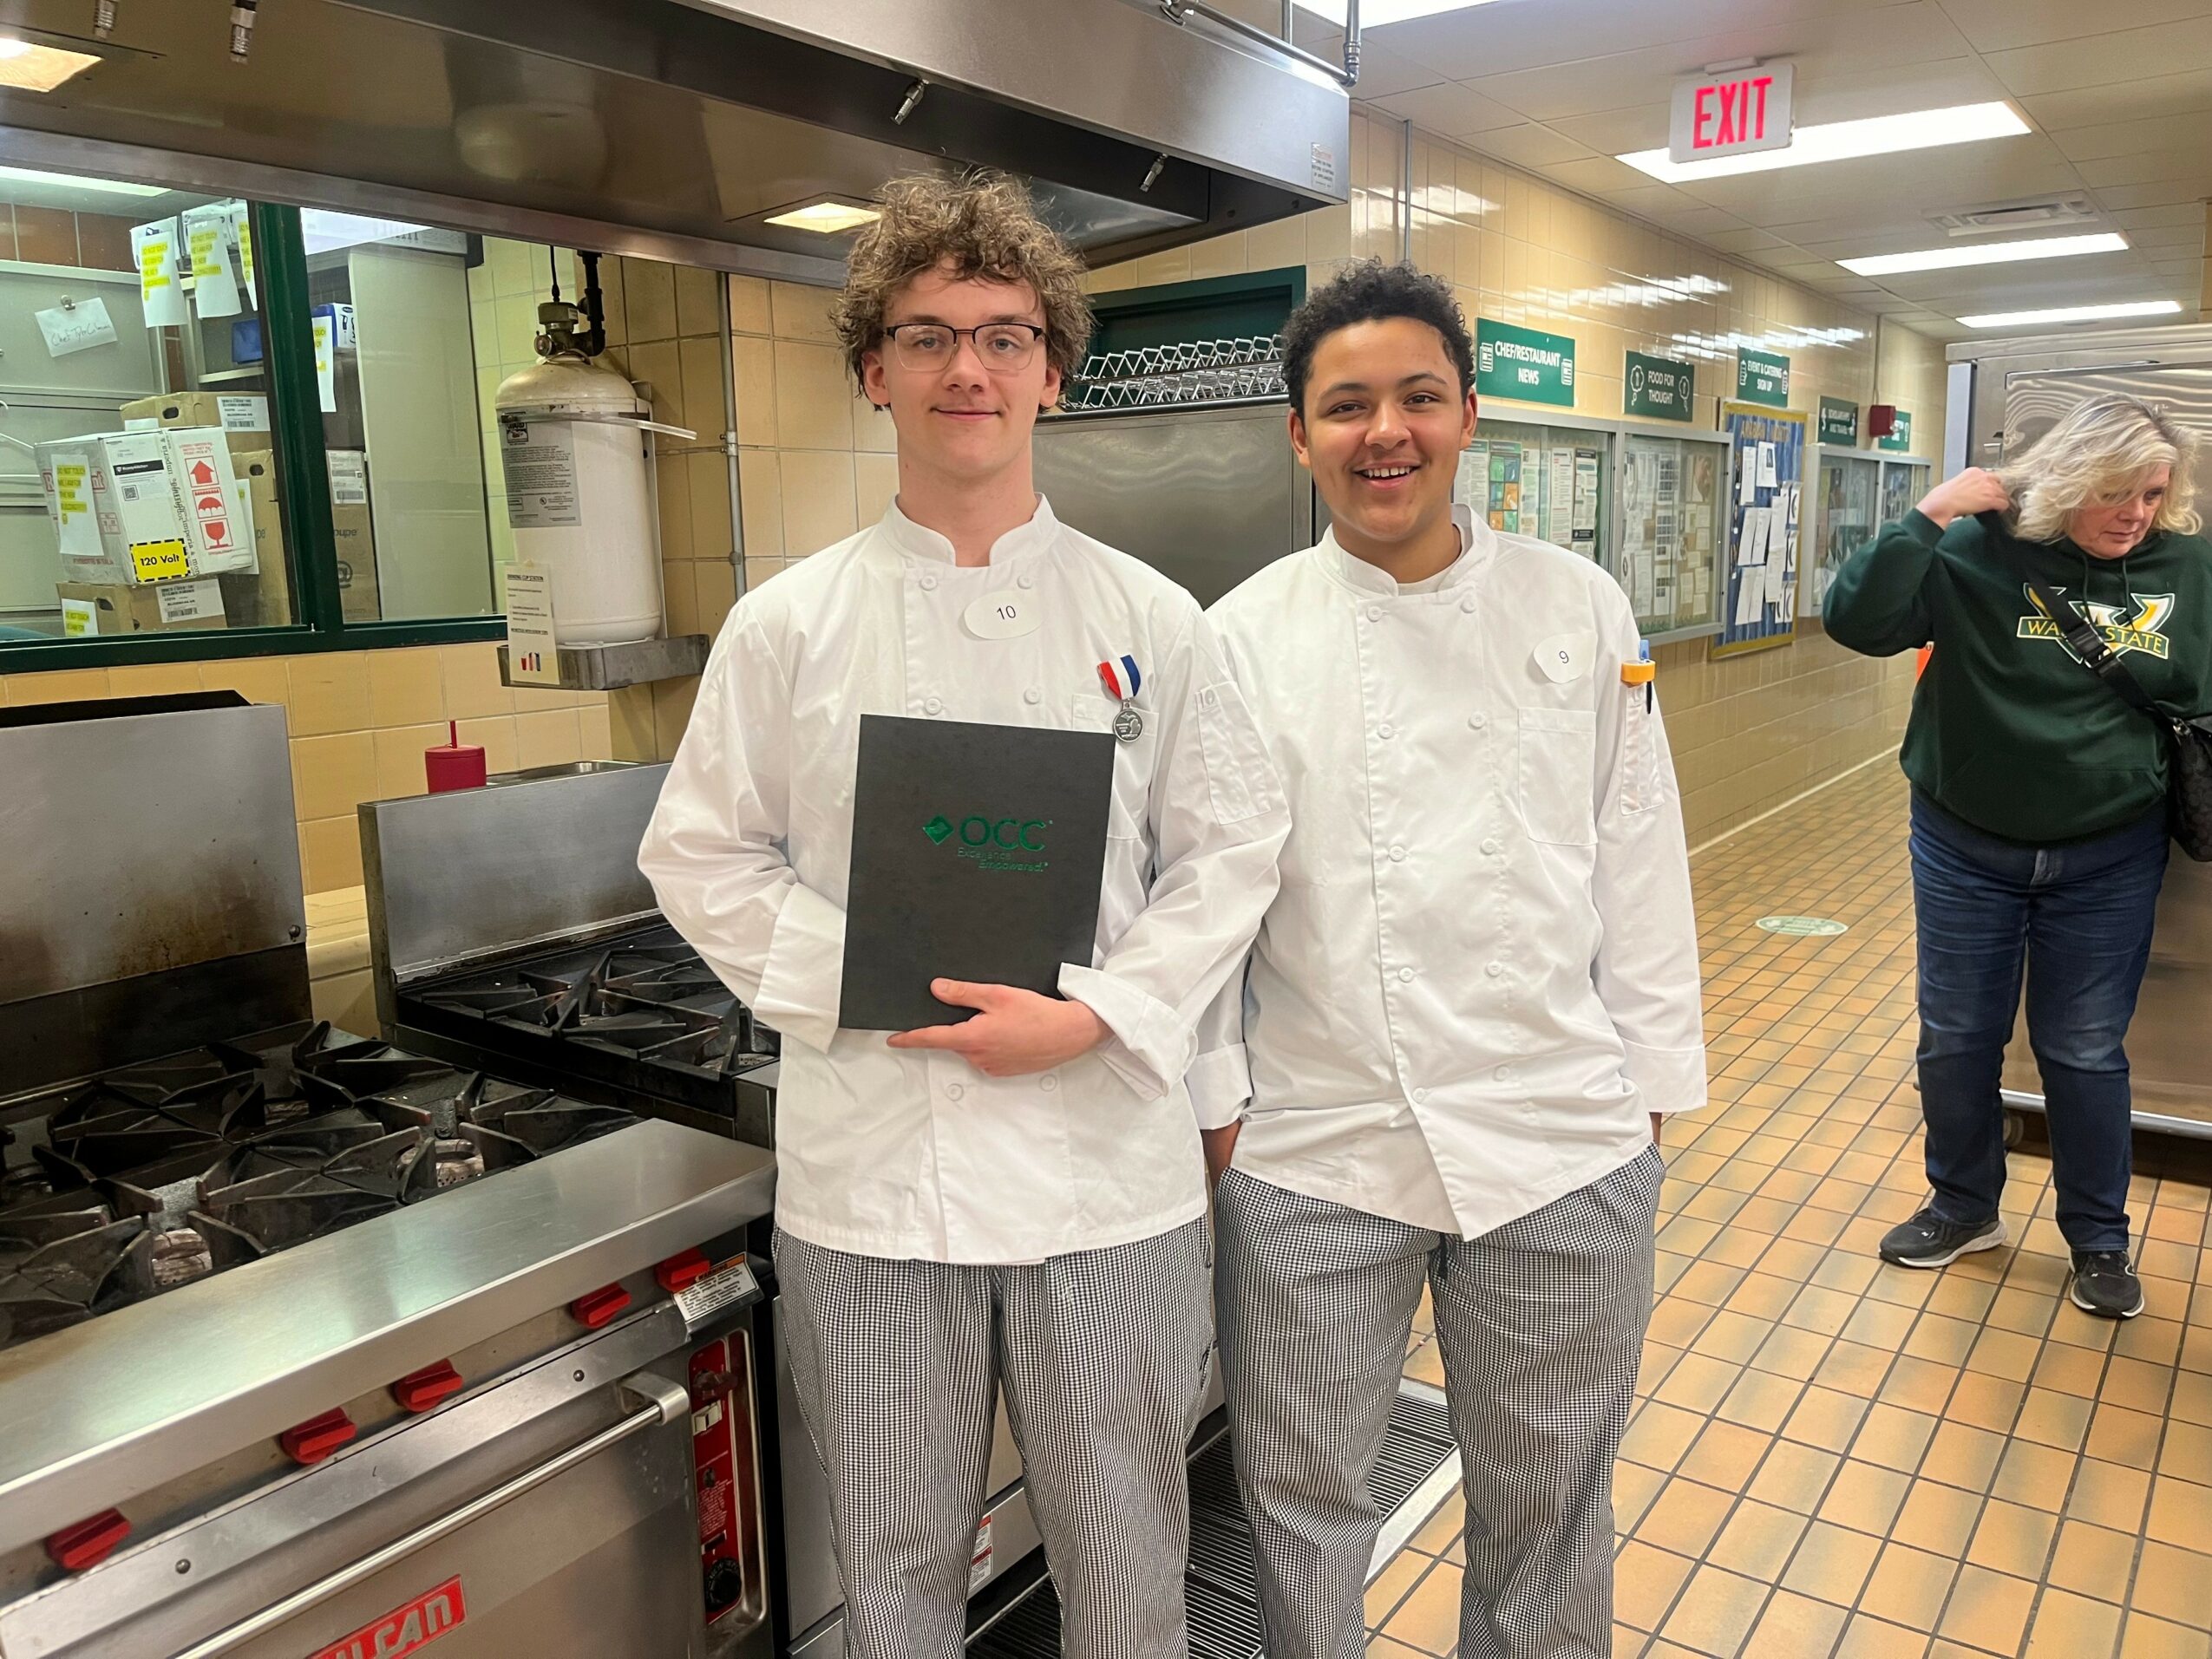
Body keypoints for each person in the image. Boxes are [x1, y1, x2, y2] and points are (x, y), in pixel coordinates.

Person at [638, 172, 1287, 1658]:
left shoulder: (1153, 618)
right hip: (878, 1177)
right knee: (898, 1570)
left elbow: (1234, 845)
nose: (967, 370)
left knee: (1131, 1560)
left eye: (1002, 335)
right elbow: (699, 852)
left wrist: (1104, 1013)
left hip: (1106, 1175)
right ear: (875, 372)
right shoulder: (788, 623)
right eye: (926, 337)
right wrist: (867, 980)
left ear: (1054, 370)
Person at [1197, 259, 1705, 1659]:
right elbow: (1203, 902)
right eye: (1346, 405)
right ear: (1298, 435)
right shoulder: (1236, 639)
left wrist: (1649, 1087)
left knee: (1547, 1503)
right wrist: (1220, 1111)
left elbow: (1635, 851)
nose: (1387, 433)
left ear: (1468, 414)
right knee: (1299, 1501)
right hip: (1315, 1143)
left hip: (1557, 1135)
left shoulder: (1576, 605)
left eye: (1419, 397)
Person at [1825, 395, 2212, 1319]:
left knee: (2082, 1049)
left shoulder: (2189, 568)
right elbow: (1858, 620)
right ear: (2068, 481)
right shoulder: (1977, 552)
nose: (2135, 514)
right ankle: (1962, 1206)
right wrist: (1933, 511)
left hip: (2110, 850)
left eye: (2153, 494)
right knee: (1957, 1036)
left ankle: (2099, 1238)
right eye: (2115, 492)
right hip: (1965, 841)